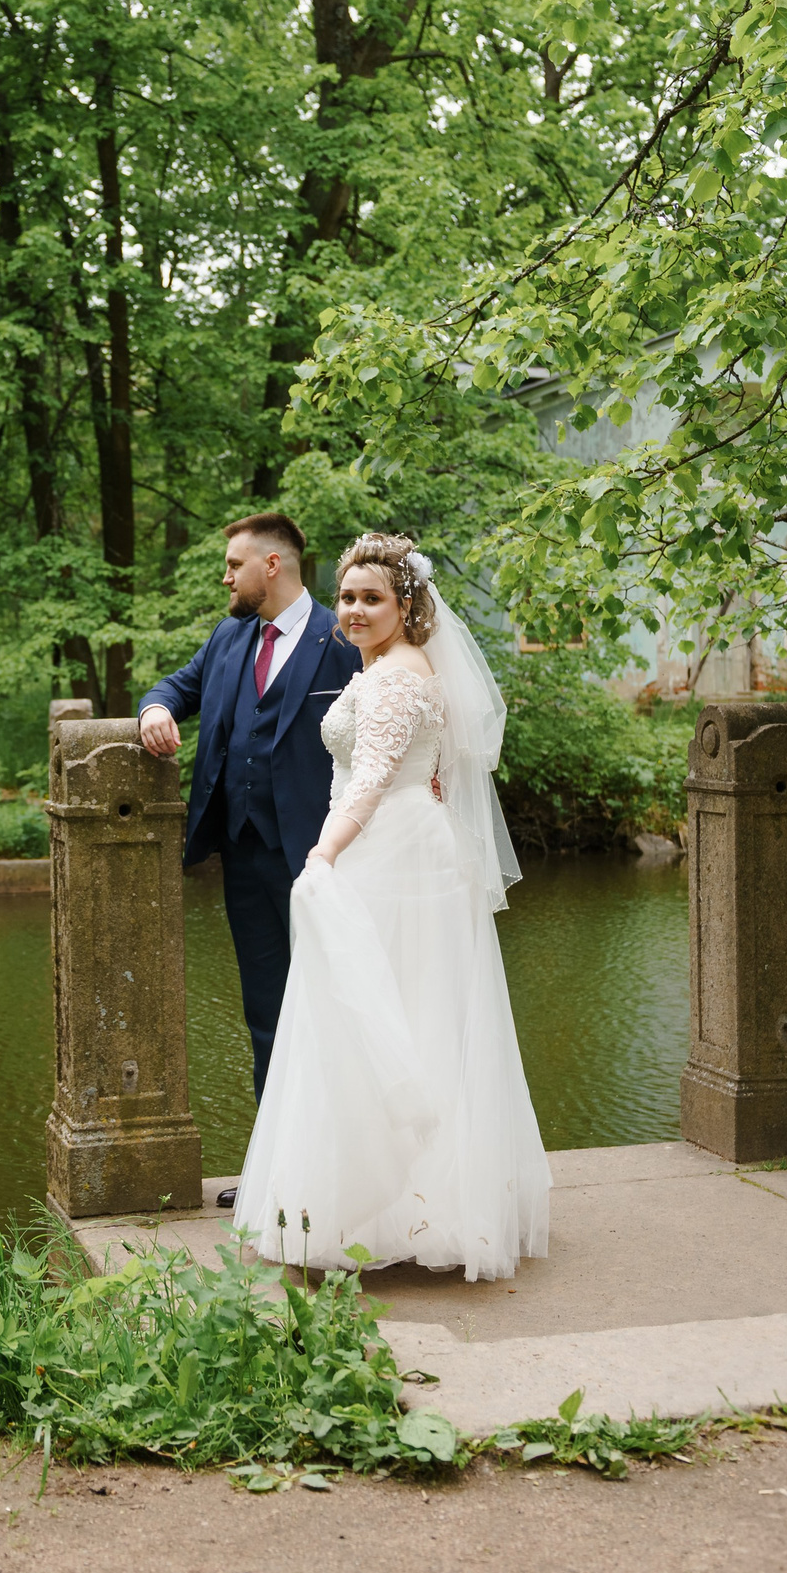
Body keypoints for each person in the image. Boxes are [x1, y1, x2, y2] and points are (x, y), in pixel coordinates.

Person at [229, 532, 550, 1281]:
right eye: (345, 596)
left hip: (387, 854)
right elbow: (415, 769)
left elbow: (372, 778)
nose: (353, 610)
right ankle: (414, 1204)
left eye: (371, 597)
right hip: (416, 846)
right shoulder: (408, 668)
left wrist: (323, 855)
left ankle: (385, 1210)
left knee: (376, 1013)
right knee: (418, 1011)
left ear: (407, 605)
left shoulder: (393, 679)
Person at [138, 514, 364, 1130]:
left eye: (234, 565)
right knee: (264, 1010)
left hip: (323, 860)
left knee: (334, 1004)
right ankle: (276, 1171)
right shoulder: (229, 637)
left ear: (272, 565)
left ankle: (339, 1161)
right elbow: (174, 687)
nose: (225, 578)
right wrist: (155, 709)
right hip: (242, 855)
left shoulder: (344, 638)